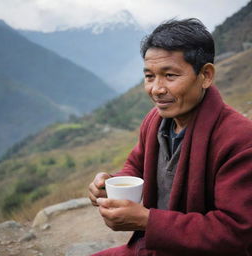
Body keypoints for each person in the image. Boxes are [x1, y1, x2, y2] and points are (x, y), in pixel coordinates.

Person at [88, 18, 252, 256]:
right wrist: (110, 184)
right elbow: (135, 166)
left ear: (205, 75)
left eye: (170, 76)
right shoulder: (155, 122)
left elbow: (235, 232)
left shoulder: (240, 141)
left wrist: (148, 221)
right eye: (149, 76)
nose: (156, 89)